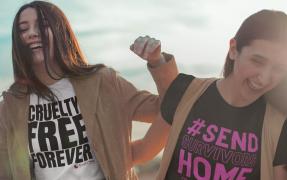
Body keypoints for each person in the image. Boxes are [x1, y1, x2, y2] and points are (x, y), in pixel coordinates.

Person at [130, 9, 287, 180]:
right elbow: (141, 152)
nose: (264, 78)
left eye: (279, 68)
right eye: (258, 61)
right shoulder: (185, 91)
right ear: (233, 50)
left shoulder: (279, 124)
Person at [0, 1, 178, 180]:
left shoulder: (102, 83)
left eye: (43, 25)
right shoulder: (10, 107)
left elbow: (165, 110)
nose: (31, 33)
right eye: (23, 29)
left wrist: (158, 62)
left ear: (60, 30)